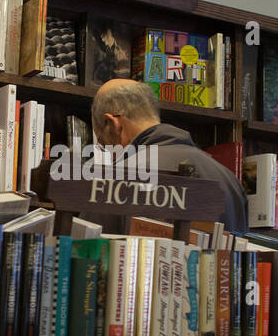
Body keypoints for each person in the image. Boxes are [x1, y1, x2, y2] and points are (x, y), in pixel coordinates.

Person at [90, 79, 248, 231]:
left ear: (113, 123)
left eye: (105, 144)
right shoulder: (230, 180)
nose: (111, 157)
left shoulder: (115, 178)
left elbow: (85, 252)